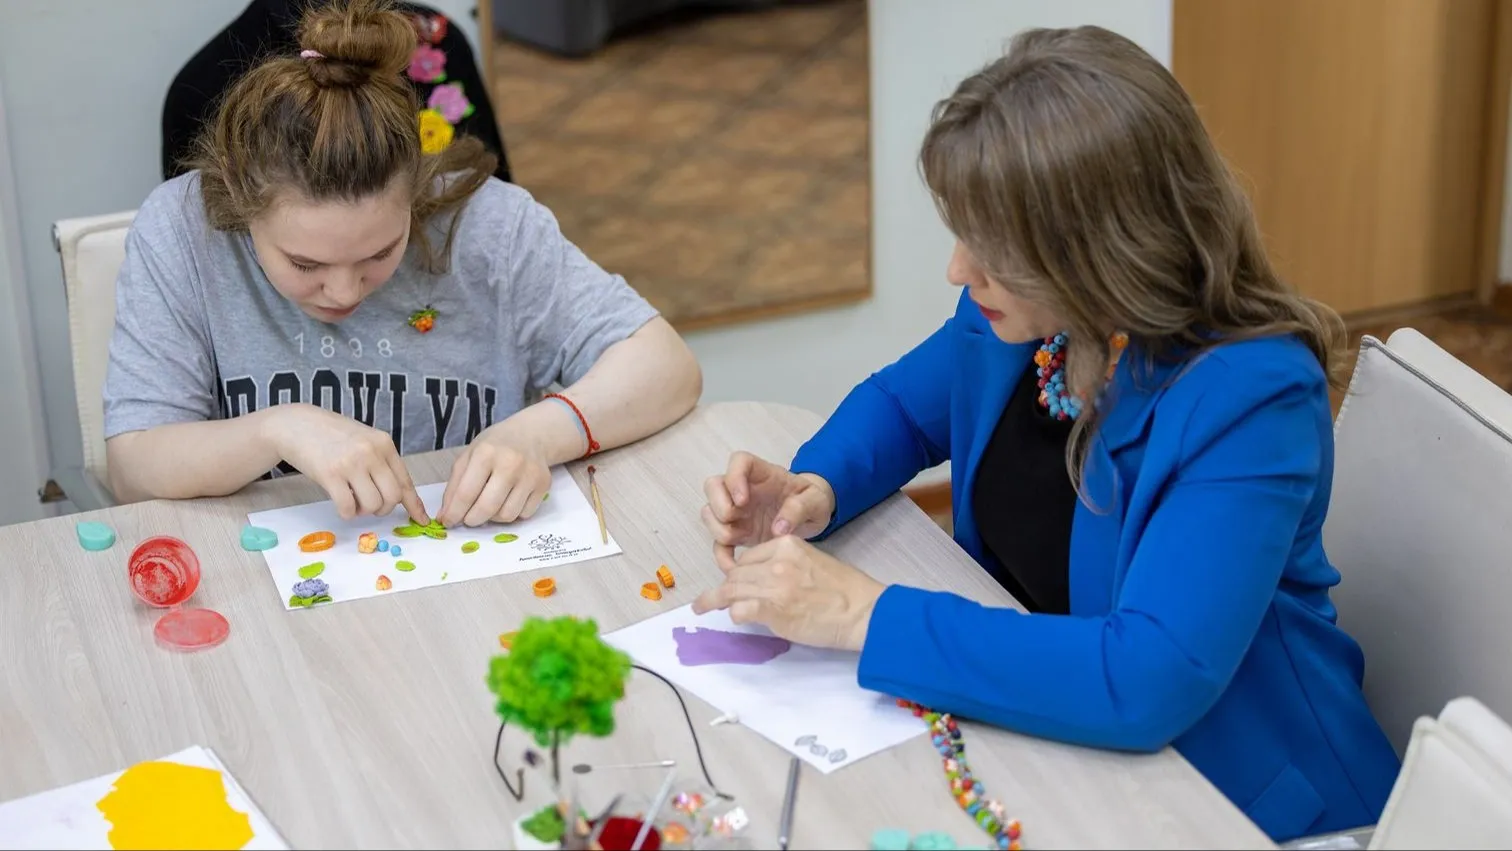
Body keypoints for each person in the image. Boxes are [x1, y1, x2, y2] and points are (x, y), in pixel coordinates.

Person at [694, 25, 1399, 843]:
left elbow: (1147, 679)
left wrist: (864, 615)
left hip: (1240, 803)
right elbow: (901, 407)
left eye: (995, 249)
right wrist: (813, 487)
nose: (960, 270)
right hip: (1065, 751)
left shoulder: (1250, 399)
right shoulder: (1034, 315)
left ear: (1099, 251)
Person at [103, 0, 701, 528]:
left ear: (416, 193)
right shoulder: (182, 229)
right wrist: (276, 428)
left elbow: (667, 367)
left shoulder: (488, 223)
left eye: (379, 253)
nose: (341, 290)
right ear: (239, 205)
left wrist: (539, 433)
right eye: (304, 261)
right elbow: (134, 467)